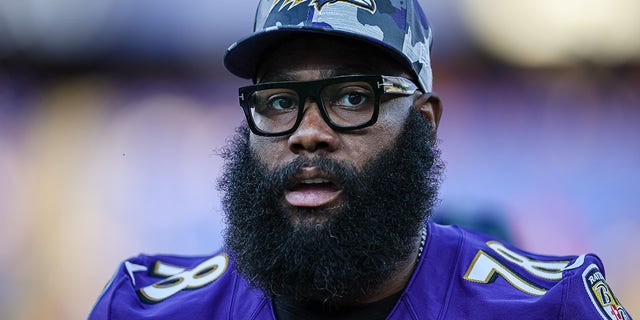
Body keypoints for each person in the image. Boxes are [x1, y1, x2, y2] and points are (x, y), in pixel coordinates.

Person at [89, 0, 632, 319]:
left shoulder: (550, 307)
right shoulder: (146, 307)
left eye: (353, 97)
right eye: (279, 102)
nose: (308, 134)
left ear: (424, 122)